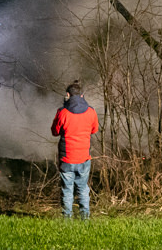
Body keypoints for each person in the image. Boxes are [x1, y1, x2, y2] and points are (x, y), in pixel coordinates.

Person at [50, 80, 99, 220]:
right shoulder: (91, 111)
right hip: (83, 157)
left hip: (67, 158)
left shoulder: (62, 112)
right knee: (83, 188)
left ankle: (67, 219)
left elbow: (55, 131)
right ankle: (85, 218)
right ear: (82, 96)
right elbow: (94, 129)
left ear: (67, 95)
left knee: (67, 189)